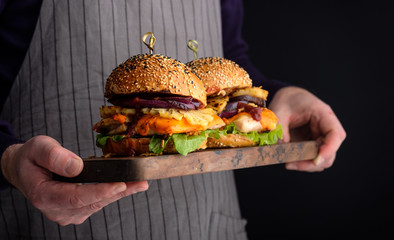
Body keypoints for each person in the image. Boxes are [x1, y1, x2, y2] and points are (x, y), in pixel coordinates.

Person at [0, 0, 346, 239]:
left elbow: (228, 53)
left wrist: (276, 94)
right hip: (48, 223)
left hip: (208, 223)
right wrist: (8, 158)